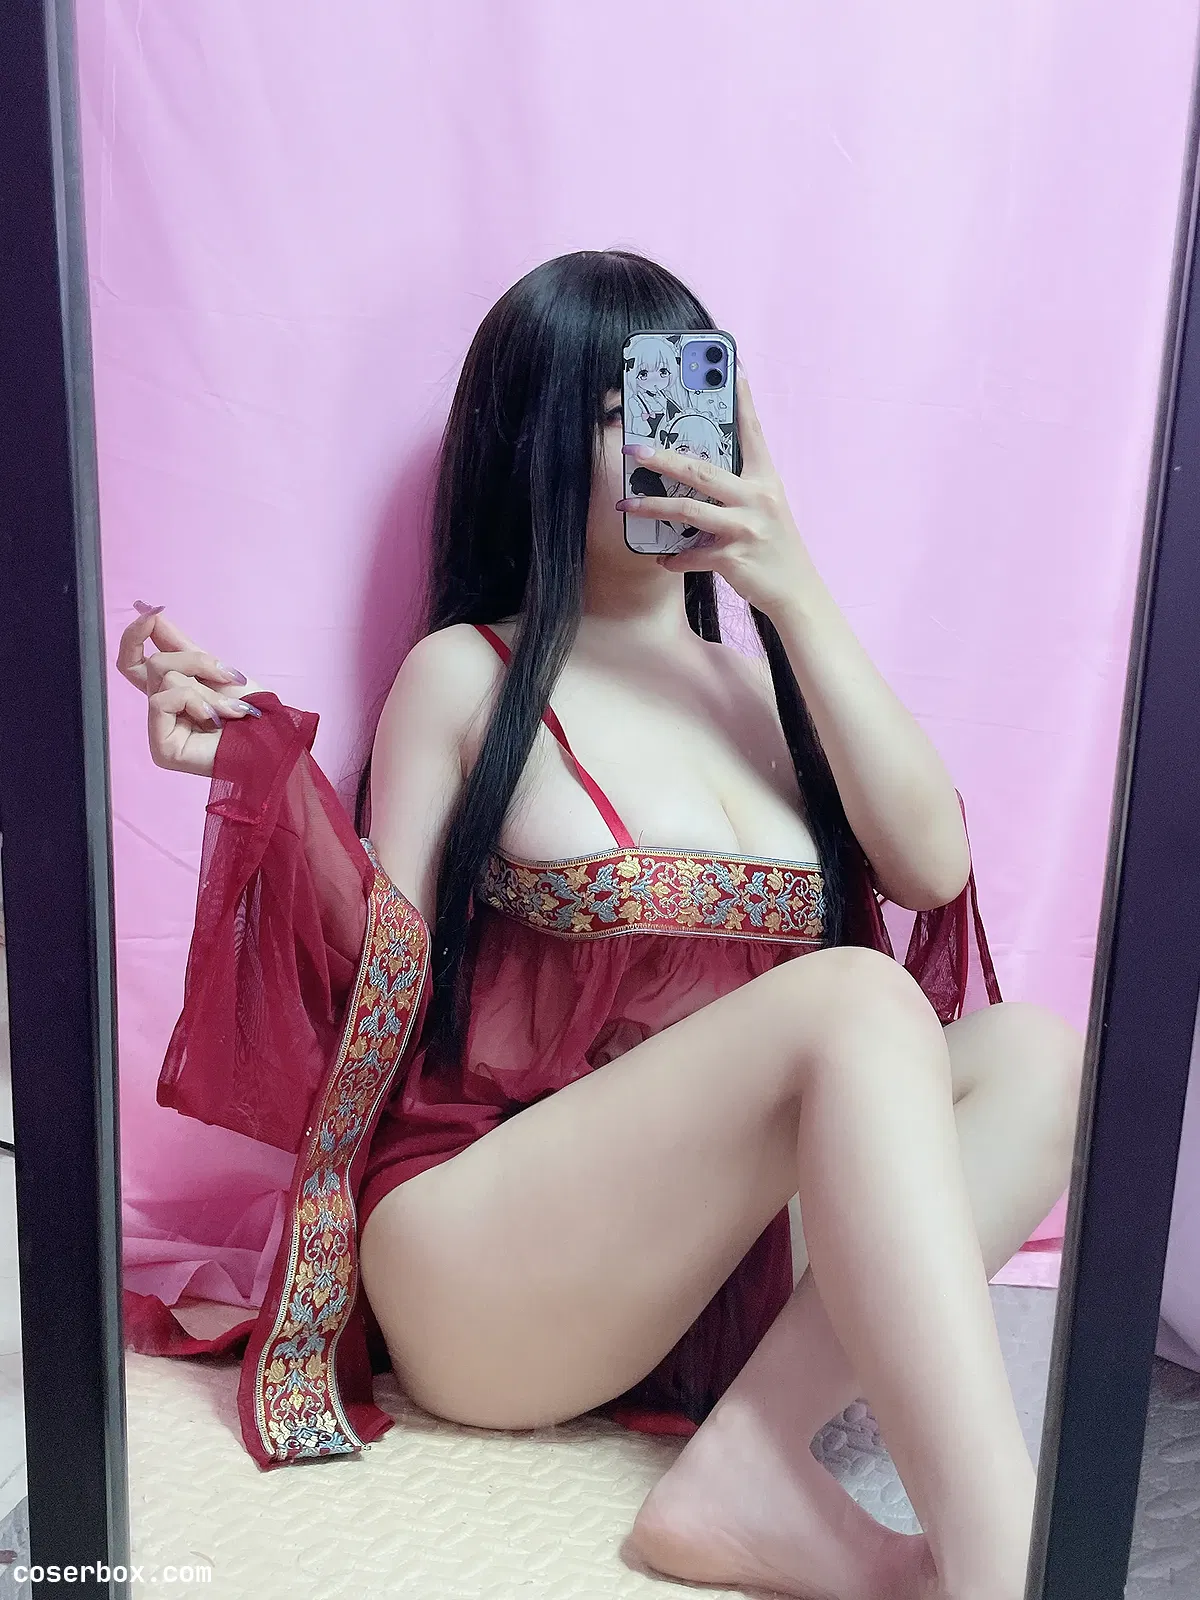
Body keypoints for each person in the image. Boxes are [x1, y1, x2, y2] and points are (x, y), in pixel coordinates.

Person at [118, 249, 1081, 1600]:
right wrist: (250, 762)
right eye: (626, 410)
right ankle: (1009, 1565)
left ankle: (746, 1470)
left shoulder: (770, 689)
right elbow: (379, 969)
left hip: (694, 1281)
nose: (671, 443)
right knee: (859, 1001)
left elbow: (927, 868)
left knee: (1040, 1054)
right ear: (536, 440)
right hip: (484, 1256)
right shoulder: (467, 671)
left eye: (696, 398)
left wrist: (792, 587)